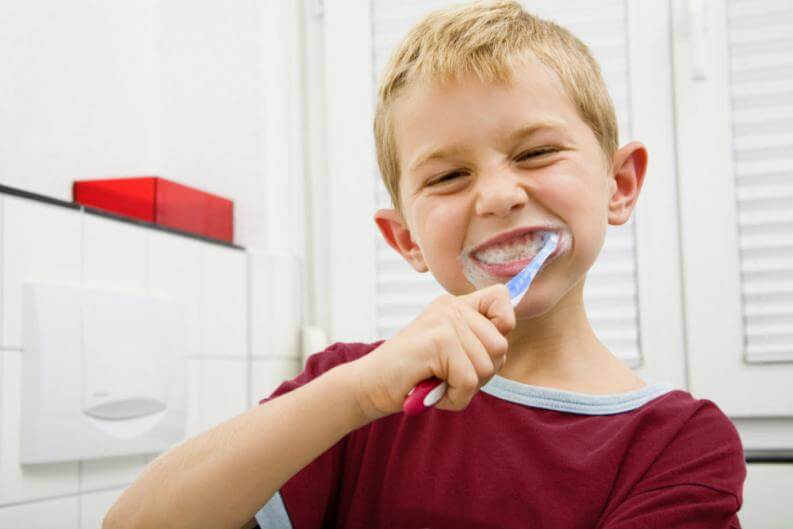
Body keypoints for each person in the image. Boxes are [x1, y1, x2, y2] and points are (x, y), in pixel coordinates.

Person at [103, 2, 746, 528]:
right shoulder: (351, 391)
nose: (497, 195)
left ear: (620, 184)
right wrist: (355, 394)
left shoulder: (679, 443)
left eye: (537, 151)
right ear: (405, 238)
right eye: (449, 174)